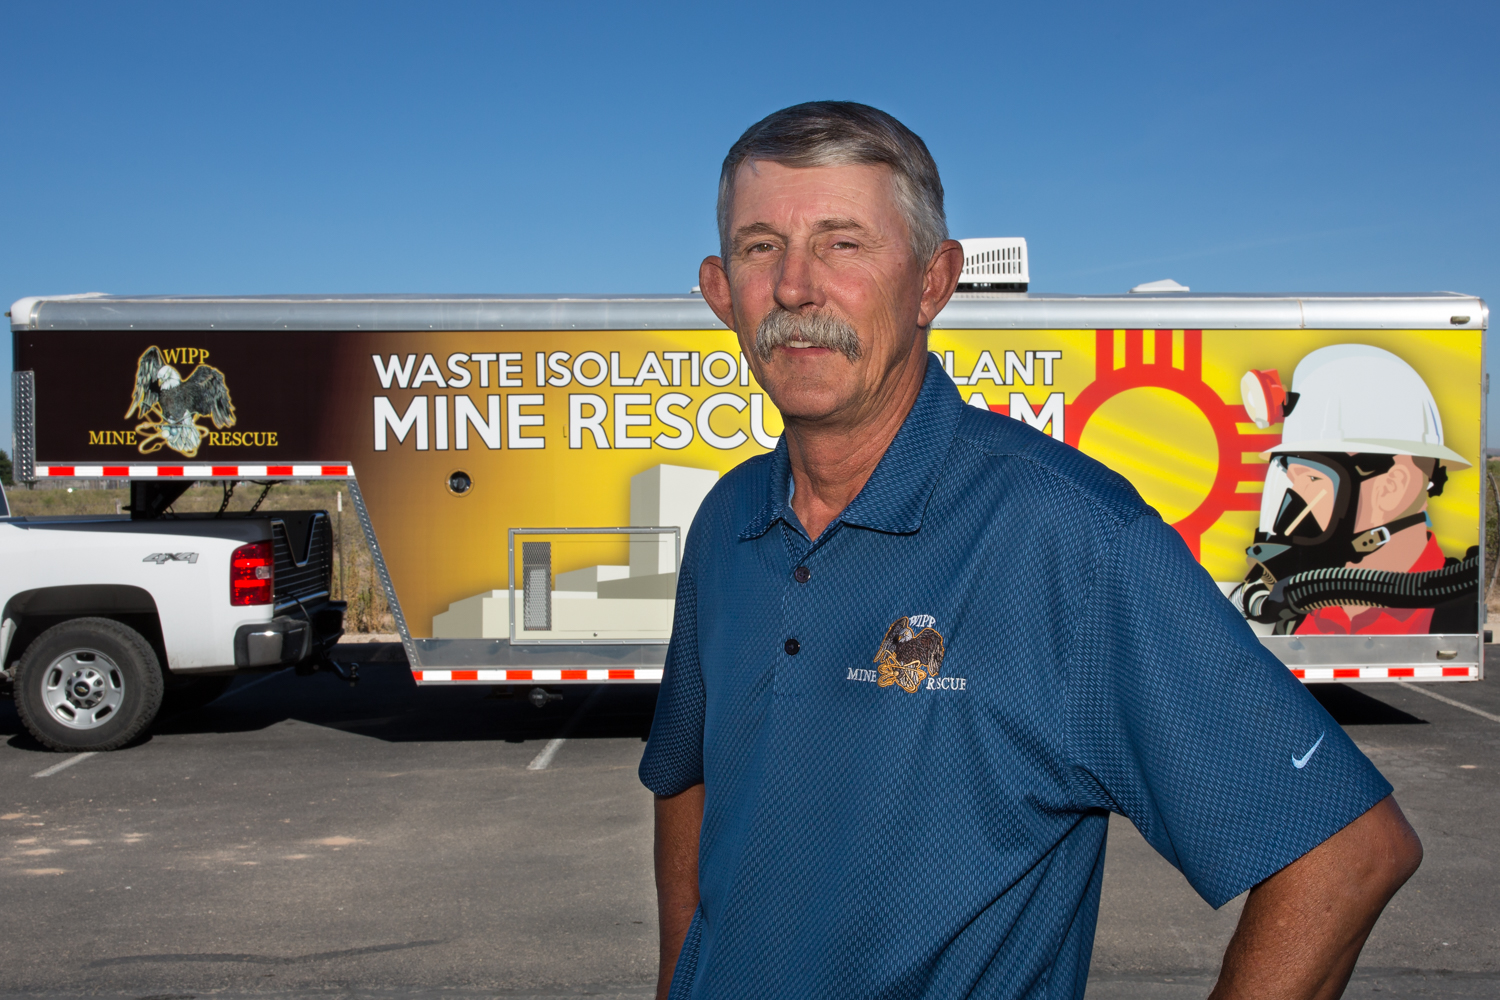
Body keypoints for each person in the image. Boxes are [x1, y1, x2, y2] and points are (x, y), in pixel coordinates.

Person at [640, 101, 1421, 1000]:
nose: (795, 288)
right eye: (761, 246)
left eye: (844, 243)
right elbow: (686, 781)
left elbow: (1348, 852)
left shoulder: (1068, 535)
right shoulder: (727, 521)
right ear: (718, 288)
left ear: (933, 282)